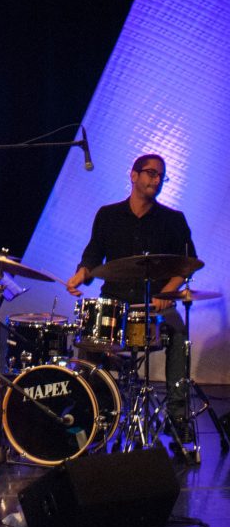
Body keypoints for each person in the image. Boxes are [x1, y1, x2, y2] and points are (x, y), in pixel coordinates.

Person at [65, 153, 196, 439]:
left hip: (156, 306)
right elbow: (92, 255)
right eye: (151, 173)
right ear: (133, 175)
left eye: (161, 175)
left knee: (179, 335)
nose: (156, 179)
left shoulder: (173, 220)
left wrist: (167, 293)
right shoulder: (107, 215)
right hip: (115, 303)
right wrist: (81, 273)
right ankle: (92, 413)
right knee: (88, 338)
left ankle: (177, 415)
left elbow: (187, 265)